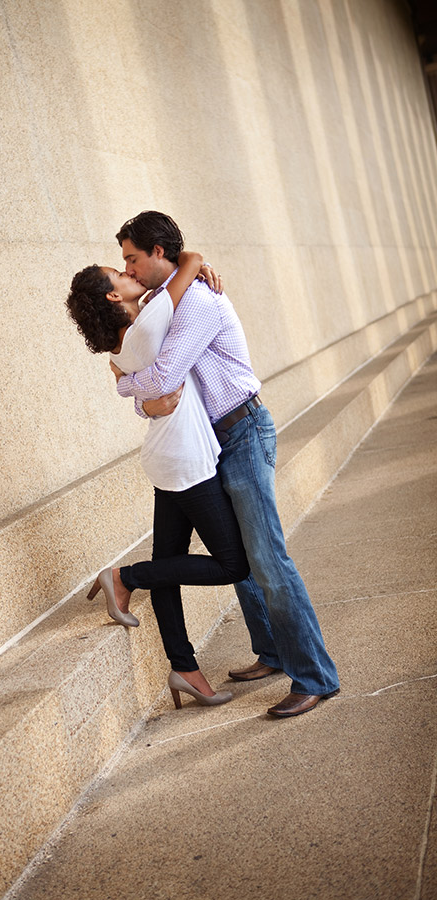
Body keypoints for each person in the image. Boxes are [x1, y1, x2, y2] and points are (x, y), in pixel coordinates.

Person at [111, 210, 340, 718]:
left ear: (158, 253)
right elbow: (151, 383)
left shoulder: (196, 299)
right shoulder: (163, 301)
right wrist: (137, 389)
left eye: (131, 258)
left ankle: (316, 677)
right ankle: (274, 653)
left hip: (242, 431)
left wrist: (122, 382)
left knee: (268, 560)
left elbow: (163, 375)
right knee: (240, 556)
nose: (126, 268)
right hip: (210, 441)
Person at [66, 250, 251, 709]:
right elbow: (185, 265)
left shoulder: (128, 338)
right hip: (186, 461)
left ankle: (184, 668)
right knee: (234, 565)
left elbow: (155, 303)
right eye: (121, 271)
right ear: (114, 294)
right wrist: (195, 260)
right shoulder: (146, 327)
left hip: (168, 455)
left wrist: (132, 389)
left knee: (168, 561)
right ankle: (124, 577)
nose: (129, 271)